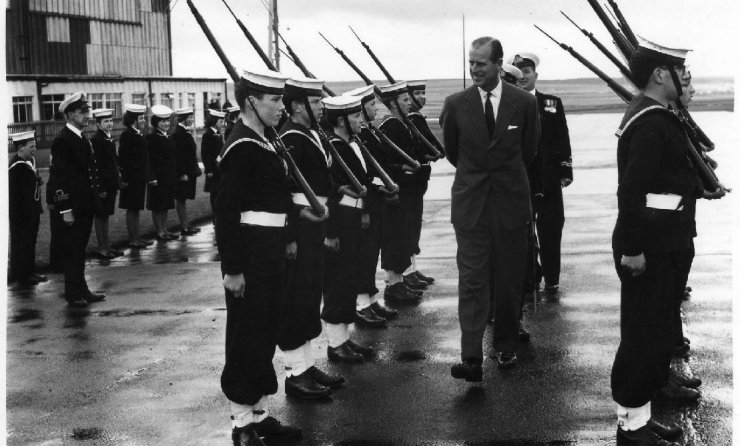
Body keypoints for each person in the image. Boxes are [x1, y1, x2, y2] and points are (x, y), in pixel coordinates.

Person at [609, 38, 725, 446]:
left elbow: (667, 178)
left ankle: (645, 409)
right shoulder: (650, 121)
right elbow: (633, 192)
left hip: (667, 237)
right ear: (661, 74)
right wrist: (632, 248)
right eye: (680, 71)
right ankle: (630, 423)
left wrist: (697, 189)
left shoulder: (660, 116)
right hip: (650, 244)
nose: (685, 79)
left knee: (656, 330)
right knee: (641, 334)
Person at [440, 36, 540, 379]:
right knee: (471, 282)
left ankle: (505, 347)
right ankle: (470, 358)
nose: (474, 69)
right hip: (471, 207)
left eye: (481, 63)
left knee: (510, 280)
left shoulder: (523, 103)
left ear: (499, 64)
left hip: (510, 205)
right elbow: (453, 153)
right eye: (471, 62)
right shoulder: (456, 104)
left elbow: (529, 151)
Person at [216, 69, 306, 445]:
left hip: (269, 253)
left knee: (264, 332)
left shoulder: (265, 142)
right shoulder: (240, 146)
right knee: (246, 336)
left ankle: (260, 413)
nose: (281, 107)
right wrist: (233, 269)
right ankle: (241, 424)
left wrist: (287, 237)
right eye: (275, 100)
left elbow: (276, 197)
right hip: (250, 258)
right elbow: (225, 212)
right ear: (252, 100)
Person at [277, 76, 344, 397]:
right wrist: (291, 234)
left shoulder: (310, 134)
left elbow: (323, 179)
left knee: (309, 296)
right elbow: (282, 192)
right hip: (301, 226)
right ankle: (295, 372)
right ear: (296, 106)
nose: (321, 106)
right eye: (315, 102)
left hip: (315, 223)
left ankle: (306, 364)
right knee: (296, 300)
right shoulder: (291, 137)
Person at [510, 51, 573, 294]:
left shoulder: (551, 103)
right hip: (521, 180)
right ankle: (530, 276)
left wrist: (566, 170)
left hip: (548, 181)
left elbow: (562, 137)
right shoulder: (510, 104)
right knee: (523, 232)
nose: (523, 77)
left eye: (527, 72)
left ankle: (552, 279)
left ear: (535, 74)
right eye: (518, 73)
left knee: (552, 227)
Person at [321, 94, 376, 363]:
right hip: (340, 217)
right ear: (341, 120)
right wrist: (330, 231)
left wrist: (363, 210)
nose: (360, 119)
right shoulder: (331, 147)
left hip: (353, 215)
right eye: (355, 116)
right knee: (337, 281)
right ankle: (335, 343)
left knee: (350, 277)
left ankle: (344, 338)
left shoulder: (350, 144)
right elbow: (328, 191)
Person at [344, 84, 400, 325]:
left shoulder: (366, 133)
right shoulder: (356, 138)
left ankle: (370, 300)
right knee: (363, 256)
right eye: (369, 106)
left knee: (370, 255)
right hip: (365, 203)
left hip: (375, 200)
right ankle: (362, 304)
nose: (374, 108)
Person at [47, 91, 106, 307]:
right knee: (72, 250)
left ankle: (82, 289)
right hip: (73, 206)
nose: (87, 115)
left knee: (79, 249)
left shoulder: (81, 137)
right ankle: (73, 294)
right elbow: (59, 178)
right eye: (82, 112)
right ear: (70, 114)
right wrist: (65, 209)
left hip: (85, 204)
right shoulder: (63, 140)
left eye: (87, 111)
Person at [377, 81, 423, 304]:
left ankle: (399, 282)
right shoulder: (391, 126)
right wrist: (401, 168)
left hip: (407, 189)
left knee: (404, 235)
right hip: (396, 191)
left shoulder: (402, 124)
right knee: (395, 238)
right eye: (405, 100)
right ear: (393, 104)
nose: (409, 103)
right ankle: (393, 285)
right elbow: (385, 162)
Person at [404, 80, 442, 288]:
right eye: (416, 93)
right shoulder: (411, 119)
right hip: (412, 178)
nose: (421, 97)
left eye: (422, 93)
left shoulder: (415, 118)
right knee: (409, 225)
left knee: (414, 224)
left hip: (419, 178)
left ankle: (412, 269)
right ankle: (407, 271)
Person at [8, 130, 46, 285]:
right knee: (21, 243)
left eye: (34, 146)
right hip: (21, 213)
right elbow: (15, 195)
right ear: (20, 147)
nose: (34, 149)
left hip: (32, 210)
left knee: (30, 241)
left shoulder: (30, 162)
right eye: (31, 146)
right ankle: (22, 275)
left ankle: (30, 272)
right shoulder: (16, 167)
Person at [118, 103, 155, 248]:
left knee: (136, 208)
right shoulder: (127, 135)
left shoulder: (137, 134)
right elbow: (123, 158)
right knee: (131, 208)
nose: (144, 121)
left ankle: (137, 237)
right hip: (131, 179)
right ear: (134, 120)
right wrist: (125, 178)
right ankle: (132, 239)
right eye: (141, 119)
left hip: (139, 178)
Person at [90, 108, 122, 258]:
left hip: (111, 183)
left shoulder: (110, 138)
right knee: (101, 215)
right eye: (105, 121)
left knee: (107, 215)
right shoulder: (96, 140)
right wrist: (100, 187)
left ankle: (107, 246)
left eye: (110, 121)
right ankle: (102, 247)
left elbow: (113, 162)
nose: (109, 124)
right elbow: (96, 165)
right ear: (98, 124)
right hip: (103, 185)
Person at [146, 105, 179, 241]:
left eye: (167, 121)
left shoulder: (168, 137)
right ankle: (159, 231)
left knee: (166, 204)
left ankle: (165, 229)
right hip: (157, 178)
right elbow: (149, 160)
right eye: (162, 121)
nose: (166, 123)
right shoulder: (152, 138)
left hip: (168, 177)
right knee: (158, 206)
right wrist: (152, 177)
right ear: (156, 123)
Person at [172, 107, 202, 235]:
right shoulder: (179, 133)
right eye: (190, 117)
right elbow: (179, 156)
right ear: (183, 119)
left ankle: (186, 225)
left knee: (183, 199)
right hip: (183, 173)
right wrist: (182, 173)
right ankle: (184, 226)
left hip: (188, 171)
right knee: (181, 199)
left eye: (192, 117)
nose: (192, 119)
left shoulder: (184, 131)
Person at [201, 108, 226, 222]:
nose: (223, 124)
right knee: (214, 193)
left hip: (219, 169)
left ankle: (220, 216)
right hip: (213, 170)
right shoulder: (208, 135)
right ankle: (216, 217)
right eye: (221, 121)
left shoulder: (218, 134)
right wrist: (209, 170)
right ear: (215, 121)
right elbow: (205, 154)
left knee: (220, 193)